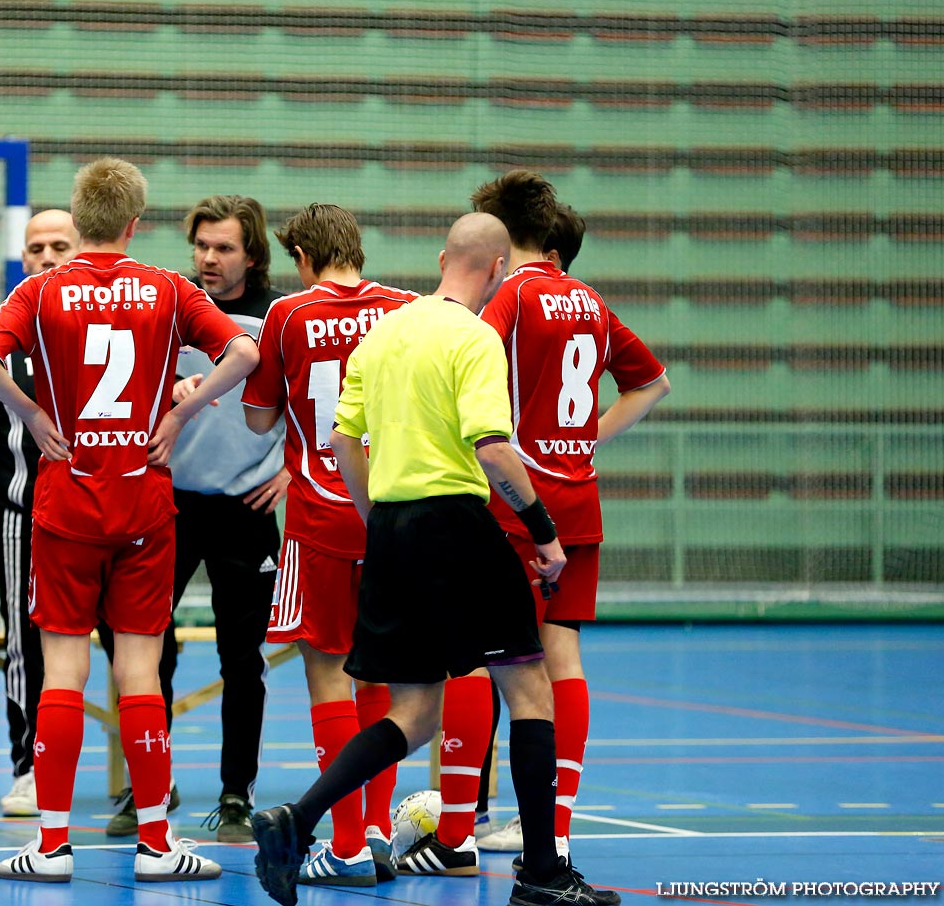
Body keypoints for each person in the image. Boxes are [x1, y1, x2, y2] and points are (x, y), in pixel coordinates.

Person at [251, 212, 619, 906]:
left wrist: (377, 521)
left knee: (415, 712)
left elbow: (342, 444)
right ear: (499, 268)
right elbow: (492, 448)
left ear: (442, 256)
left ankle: (297, 819)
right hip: (456, 521)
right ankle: (542, 873)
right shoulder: (475, 337)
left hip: (389, 527)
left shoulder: (384, 334)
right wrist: (542, 532)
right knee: (529, 687)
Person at [0, 157, 258, 884]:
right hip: (143, 500)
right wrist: (182, 411)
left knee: (62, 670)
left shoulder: (40, 290)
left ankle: (54, 845)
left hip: (66, 501)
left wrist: (31, 412)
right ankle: (158, 846)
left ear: (78, 217)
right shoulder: (166, 288)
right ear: (134, 223)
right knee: (139, 672)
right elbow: (245, 351)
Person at [471, 175, 670, 865]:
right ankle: (551, 828)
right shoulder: (588, 300)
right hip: (579, 498)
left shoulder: (510, 295)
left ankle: (458, 825)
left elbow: (463, 365)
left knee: (480, 660)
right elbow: (653, 383)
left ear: (497, 236)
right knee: (563, 659)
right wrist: (586, 439)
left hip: (512, 502)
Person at [100, 194, 288, 843]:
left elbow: (330, 404)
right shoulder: (173, 306)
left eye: (224, 248)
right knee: (143, 649)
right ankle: (154, 782)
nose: (209, 259)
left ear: (253, 254)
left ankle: (236, 793)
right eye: (202, 246)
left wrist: (295, 470)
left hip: (246, 506)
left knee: (243, 658)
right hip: (169, 505)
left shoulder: (278, 318)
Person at [241, 203, 417, 885]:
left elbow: (259, 420)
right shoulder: (406, 309)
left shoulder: (288, 314)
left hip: (319, 516)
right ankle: (374, 831)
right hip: (393, 515)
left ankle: (342, 846)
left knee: (329, 675)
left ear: (304, 258)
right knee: (384, 676)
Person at [0, 209, 79, 818]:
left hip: (106, 515)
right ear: (22, 258)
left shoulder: (119, 322)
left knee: (132, 643)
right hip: (22, 515)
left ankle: (142, 773)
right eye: (36, 247)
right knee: (25, 641)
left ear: (83, 249)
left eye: (60, 245)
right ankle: (28, 767)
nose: (47, 256)